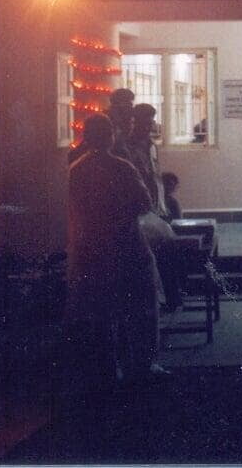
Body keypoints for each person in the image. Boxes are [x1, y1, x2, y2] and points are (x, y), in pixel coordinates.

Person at [65, 113, 165, 382]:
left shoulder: (76, 169)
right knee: (141, 304)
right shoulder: (121, 167)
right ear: (110, 137)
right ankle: (143, 364)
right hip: (126, 243)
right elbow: (144, 203)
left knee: (101, 311)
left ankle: (108, 367)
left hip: (92, 246)